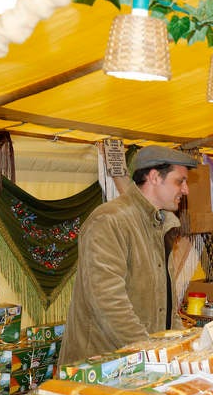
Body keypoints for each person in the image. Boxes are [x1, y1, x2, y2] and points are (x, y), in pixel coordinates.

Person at [59, 146, 197, 365]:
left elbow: (165, 305)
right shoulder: (110, 220)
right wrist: (151, 354)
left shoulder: (161, 225)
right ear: (154, 177)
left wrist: (185, 345)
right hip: (100, 368)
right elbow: (108, 301)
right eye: (180, 181)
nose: (186, 189)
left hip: (140, 364)